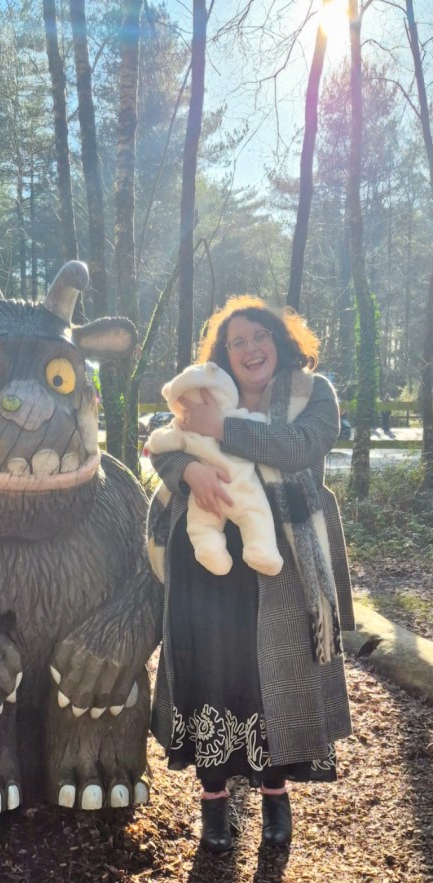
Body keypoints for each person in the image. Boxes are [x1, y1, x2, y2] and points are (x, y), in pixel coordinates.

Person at [147, 295, 354, 854]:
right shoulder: (207, 390)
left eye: (259, 335)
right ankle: (213, 802)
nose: (250, 348)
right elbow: (162, 440)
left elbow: (299, 447)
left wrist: (223, 427)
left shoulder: (313, 393)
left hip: (280, 562)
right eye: (236, 341)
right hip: (206, 564)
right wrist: (188, 469)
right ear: (223, 353)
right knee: (212, 674)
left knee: (271, 678)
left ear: (280, 339)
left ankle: (274, 797)